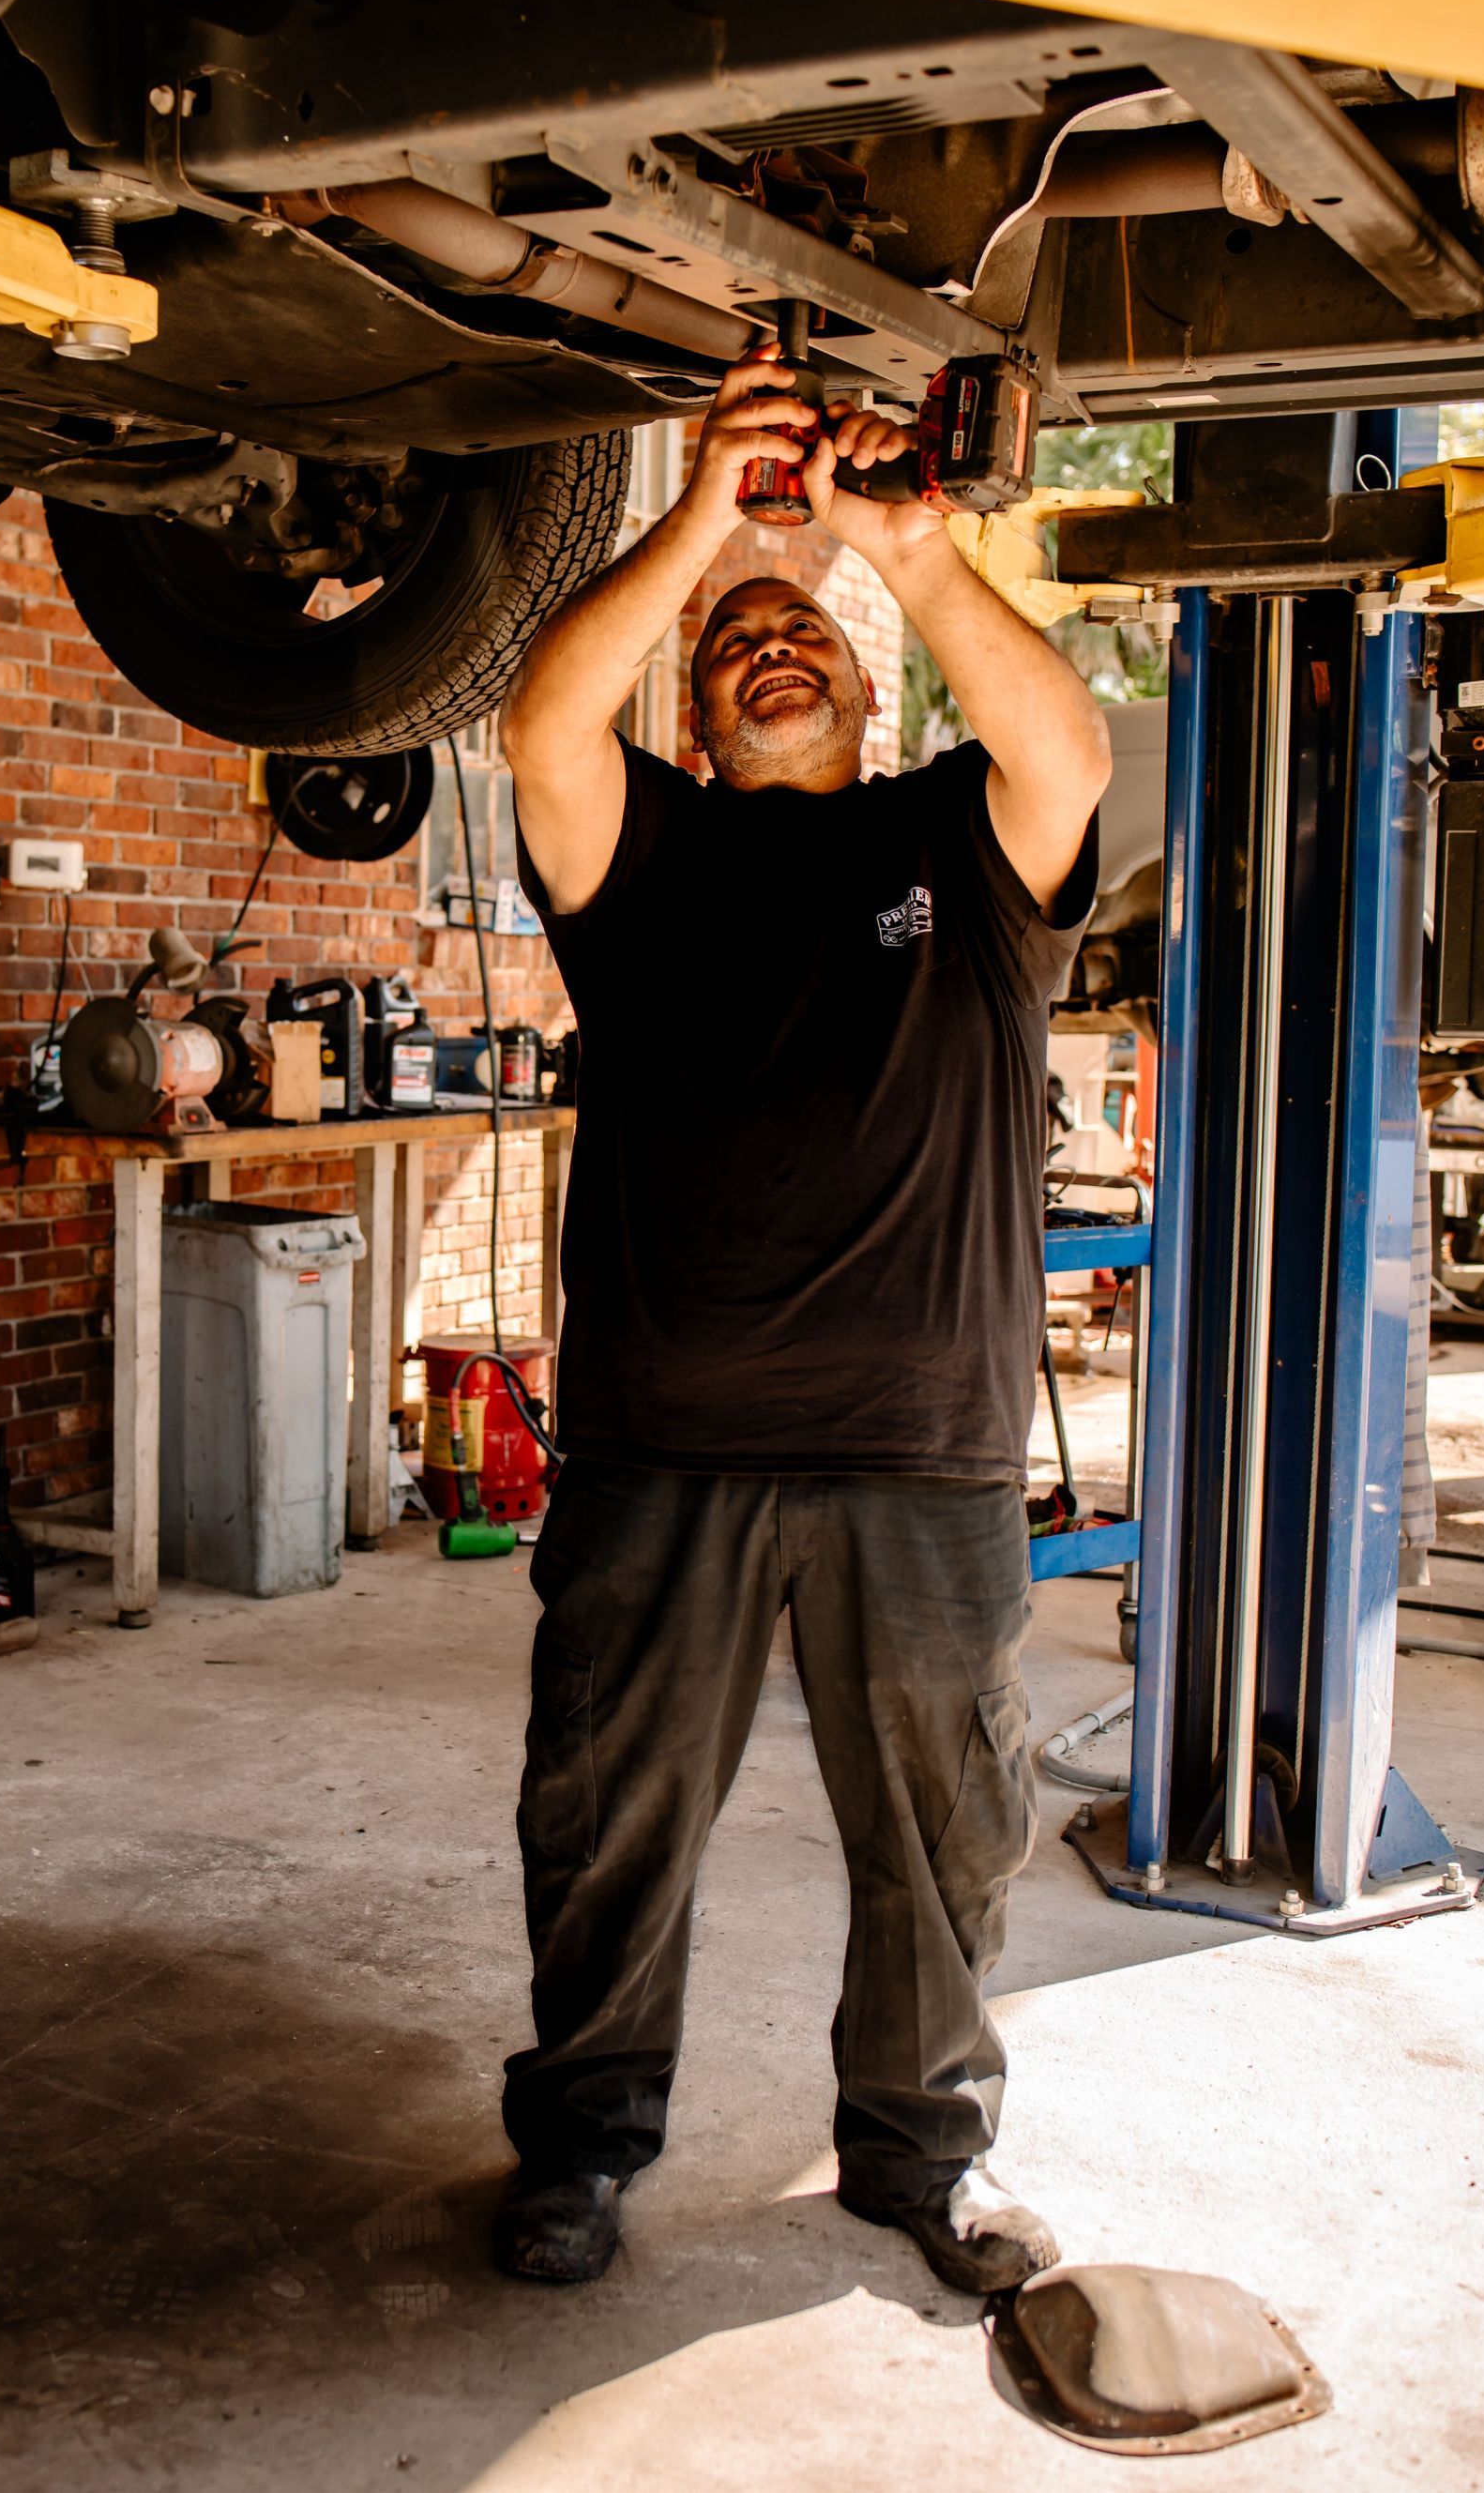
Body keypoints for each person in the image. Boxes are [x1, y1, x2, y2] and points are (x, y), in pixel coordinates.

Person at [492, 346, 1111, 2292]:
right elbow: (538, 724)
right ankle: (585, 2144)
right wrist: (704, 521)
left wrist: (887, 552)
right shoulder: (639, 856)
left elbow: (1069, 749)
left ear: (862, 684)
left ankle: (925, 2156)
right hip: (660, 1445)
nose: (777, 649)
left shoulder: (960, 846)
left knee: (946, 1831)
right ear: (698, 702)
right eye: (738, 641)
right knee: (608, 1818)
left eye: (808, 637)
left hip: (911, 1449)